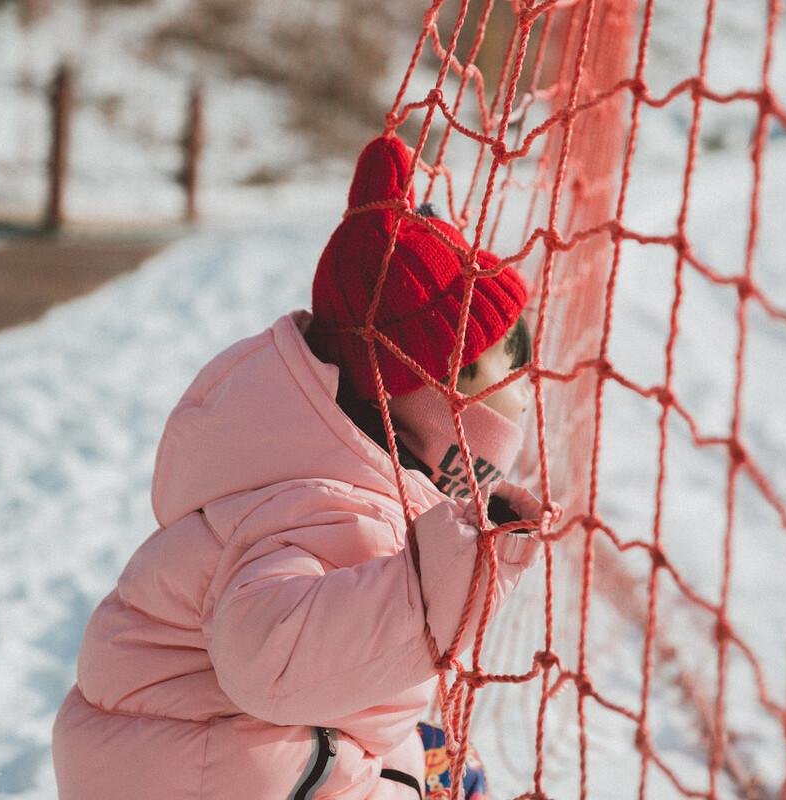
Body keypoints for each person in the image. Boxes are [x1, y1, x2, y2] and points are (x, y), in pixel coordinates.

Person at [51, 132, 553, 800]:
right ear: (434, 390)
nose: (526, 392)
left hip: (202, 751)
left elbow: (346, 691)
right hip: (198, 765)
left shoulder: (350, 469)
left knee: (435, 760)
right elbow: (271, 660)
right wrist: (447, 577)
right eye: (509, 369)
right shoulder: (326, 503)